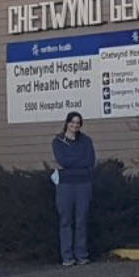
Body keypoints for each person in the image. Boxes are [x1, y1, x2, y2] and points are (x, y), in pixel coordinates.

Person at [51, 111, 96, 267]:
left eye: (78, 123)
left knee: (81, 220)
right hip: (65, 185)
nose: (75, 125)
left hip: (83, 184)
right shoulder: (57, 141)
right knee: (66, 221)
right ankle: (67, 256)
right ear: (67, 123)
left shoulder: (86, 141)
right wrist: (78, 162)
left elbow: (90, 160)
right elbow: (61, 160)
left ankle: (81, 255)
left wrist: (71, 163)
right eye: (72, 122)